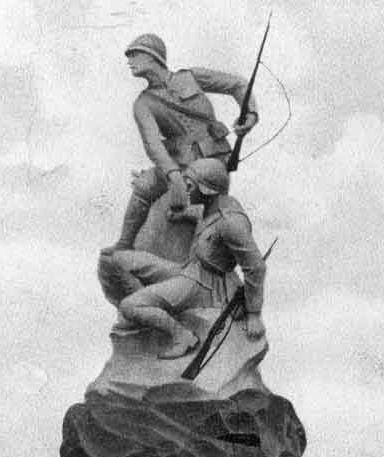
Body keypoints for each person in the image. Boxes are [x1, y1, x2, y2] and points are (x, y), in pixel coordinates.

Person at [102, 33, 259, 255]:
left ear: (151, 56)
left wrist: (250, 113)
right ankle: (125, 243)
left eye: (134, 55)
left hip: (213, 158)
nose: (129, 61)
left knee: (208, 202)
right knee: (143, 186)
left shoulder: (191, 77)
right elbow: (153, 143)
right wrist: (172, 174)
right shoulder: (143, 103)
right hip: (179, 162)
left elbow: (238, 84)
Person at [104, 158, 267, 359]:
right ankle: (151, 310)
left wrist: (254, 314)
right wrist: (183, 214)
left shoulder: (231, 223)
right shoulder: (215, 205)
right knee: (120, 258)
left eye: (189, 185)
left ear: (207, 190)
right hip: (190, 270)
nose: (185, 189)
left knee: (129, 306)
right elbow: (204, 216)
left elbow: (256, 267)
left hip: (205, 287)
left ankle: (182, 336)